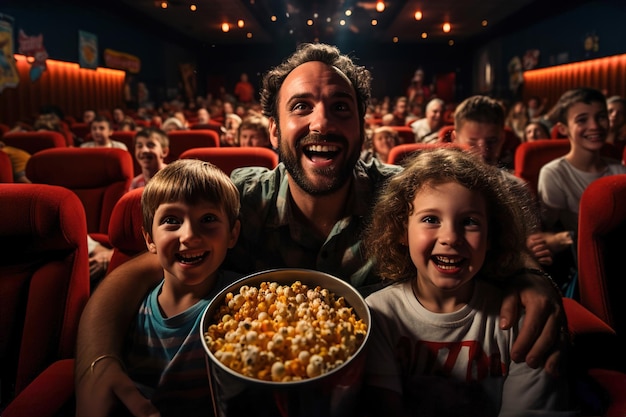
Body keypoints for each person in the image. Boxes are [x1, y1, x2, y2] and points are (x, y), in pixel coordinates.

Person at [75, 43, 564, 417]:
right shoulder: (238, 201)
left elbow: (484, 245)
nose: (322, 122)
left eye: (340, 107)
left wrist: (532, 280)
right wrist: (96, 363)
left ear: (362, 127)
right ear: (272, 130)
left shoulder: (408, 201)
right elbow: (135, 273)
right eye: (301, 107)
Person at [363, 147, 576, 417]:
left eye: (470, 222)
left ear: (491, 237)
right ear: (401, 231)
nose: (450, 237)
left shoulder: (519, 319)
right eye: (430, 219)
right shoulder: (378, 315)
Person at [123, 159, 241, 416]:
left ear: (233, 234)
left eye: (208, 218)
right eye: (172, 220)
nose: (189, 235)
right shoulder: (131, 310)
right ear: (149, 239)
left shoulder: (243, 303)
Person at [450, 95, 553, 268]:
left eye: (492, 141)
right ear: (455, 139)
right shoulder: (439, 187)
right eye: (473, 142)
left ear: (502, 138)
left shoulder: (517, 188)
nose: (483, 151)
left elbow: (532, 243)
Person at [538, 87, 626, 288]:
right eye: (582, 120)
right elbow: (547, 233)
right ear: (563, 129)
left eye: (601, 117)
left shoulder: (619, 169)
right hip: (586, 265)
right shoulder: (554, 173)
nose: (594, 126)